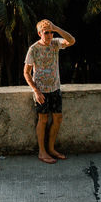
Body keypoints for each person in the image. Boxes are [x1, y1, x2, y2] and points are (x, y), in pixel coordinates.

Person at [23, 19, 75, 164]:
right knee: (43, 119)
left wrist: (56, 28)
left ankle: (51, 149)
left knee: (57, 118)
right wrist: (36, 91)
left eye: (51, 32)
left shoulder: (55, 43)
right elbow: (26, 72)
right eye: (46, 32)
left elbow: (71, 41)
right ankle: (42, 152)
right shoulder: (33, 49)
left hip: (55, 88)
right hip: (41, 91)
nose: (49, 35)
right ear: (39, 33)